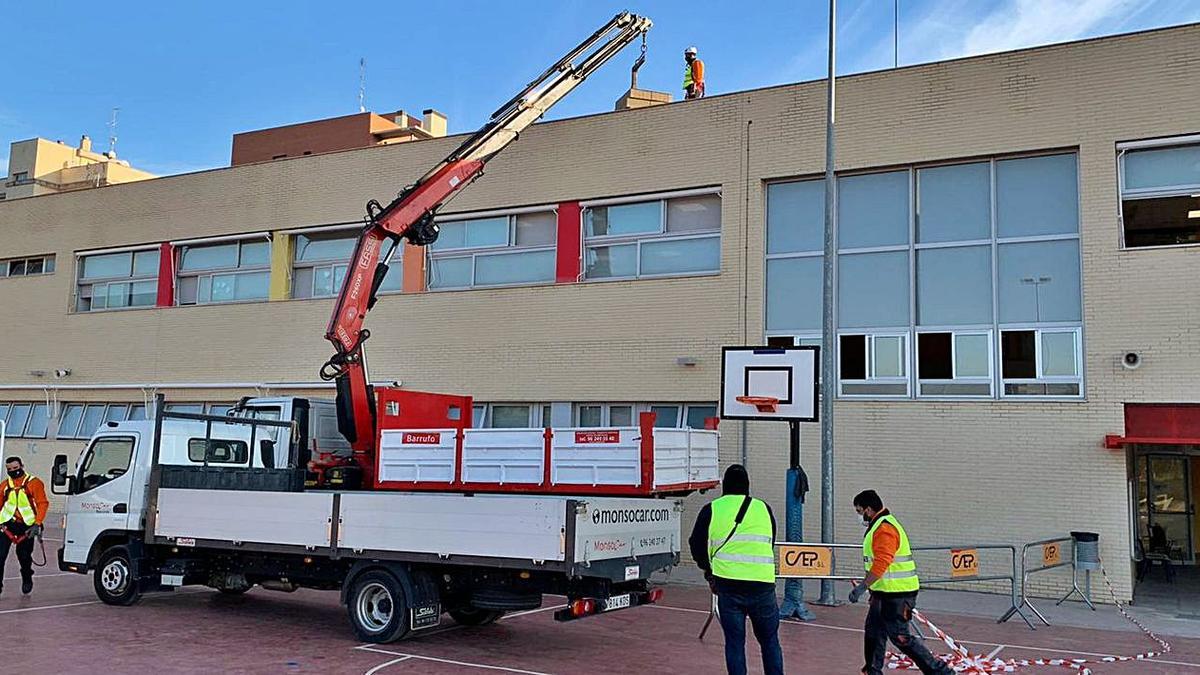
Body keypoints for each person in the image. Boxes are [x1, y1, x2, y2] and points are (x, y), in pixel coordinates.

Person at [689, 464, 784, 675]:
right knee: (770, 642)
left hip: (728, 585)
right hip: (762, 585)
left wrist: (708, 572)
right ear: (748, 486)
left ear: (725, 486)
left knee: (734, 643)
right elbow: (770, 541)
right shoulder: (764, 508)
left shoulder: (712, 509)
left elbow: (695, 545)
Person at [849, 490, 951, 675]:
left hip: (897, 594)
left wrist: (863, 586)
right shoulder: (878, 525)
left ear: (869, 510)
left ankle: (940, 672)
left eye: (859, 511)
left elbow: (882, 561)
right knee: (873, 634)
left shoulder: (884, 528)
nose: (859, 516)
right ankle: (872, 670)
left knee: (900, 637)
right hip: (883, 593)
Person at [0, 456, 49, 595]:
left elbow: (42, 504)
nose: (13, 471)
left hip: (27, 526)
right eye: (9, 469)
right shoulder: (4, 486)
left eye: (16, 468)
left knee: (24, 556)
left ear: (22, 466)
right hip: (6, 525)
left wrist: (37, 524)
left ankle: (27, 578)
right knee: (0, 556)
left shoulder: (34, 483)